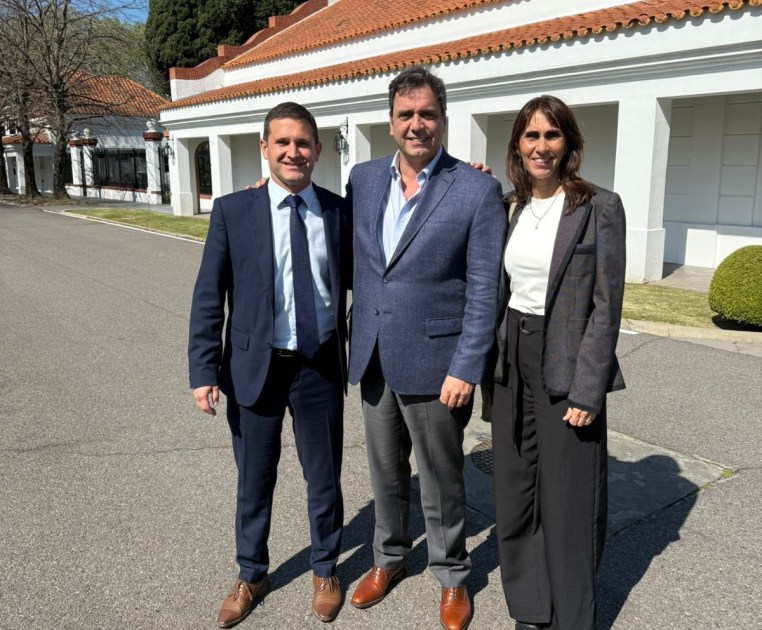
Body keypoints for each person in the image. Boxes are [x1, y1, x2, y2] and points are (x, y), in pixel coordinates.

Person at [347, 66, 506, 630]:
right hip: (373, 354)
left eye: (427, 114)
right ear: (391, 122)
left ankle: (453, 574)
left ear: (443, 119)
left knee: (441, 478)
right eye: (406, 114)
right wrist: (264, 191)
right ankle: (388, 558)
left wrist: (467, 365)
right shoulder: (363, 179)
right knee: (385, 471)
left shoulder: (476, 190)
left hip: (439, 363)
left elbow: (485, 289)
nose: (417, 124)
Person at [188, 102, 350, 628]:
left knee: (323, 477)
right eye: (282, 142)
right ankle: (251, 573)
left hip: (319, 366)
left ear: (318, 150)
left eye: (302, 143)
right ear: (264, 148)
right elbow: (209, 297)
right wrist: (203, 371)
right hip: (254, 367)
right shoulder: (233, 211)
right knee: (254, 480)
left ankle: (325, 568)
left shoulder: (338, 212)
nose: (292, 152)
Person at [488, 95, 626, 630]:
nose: (541, 146)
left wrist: (589, 390)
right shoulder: (509, 205)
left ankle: (572, 617)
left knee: (569, 498)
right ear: (517, 145)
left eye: (552, 135)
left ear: (569, 143)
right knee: (516, 486)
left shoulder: (598, 206)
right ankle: (530, 608)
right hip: (512, 357)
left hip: (568, 358)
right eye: (531, 135)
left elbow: (607, 305)